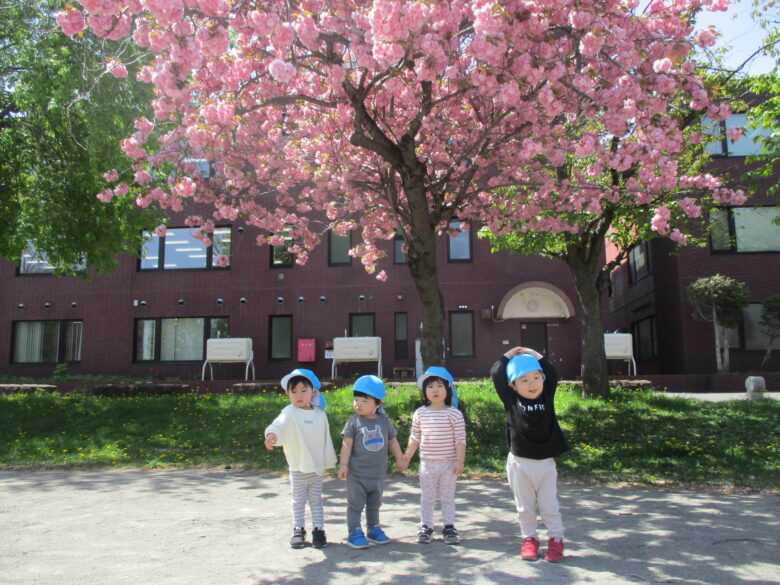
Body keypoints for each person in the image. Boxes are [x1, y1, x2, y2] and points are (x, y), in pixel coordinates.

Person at [490, 346, 569, 563]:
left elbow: (551, 372)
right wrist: (510, 353)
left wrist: (533, 353)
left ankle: (556, 540)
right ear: (512, 385)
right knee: (524, 507)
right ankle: (529, 539)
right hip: (519, 463)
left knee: (548, 505)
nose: (532, 384)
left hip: (545, 463)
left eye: (536, 378)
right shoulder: (510, 400)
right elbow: (497, 372)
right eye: (524, 380)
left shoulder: (546, 396)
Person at [265, 368, 337, 549]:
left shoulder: (320, 414)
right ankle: (298, 529)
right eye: (294, 391)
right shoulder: (289, 412)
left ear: (313, 392)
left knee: (316, 500)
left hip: (316, 468)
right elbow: (278, 424)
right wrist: (272, 434)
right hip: (297, 466)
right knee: (298, 500)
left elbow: (325, 439)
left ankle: (318, 530)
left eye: (303, 390)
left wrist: (327, 461)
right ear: (287, 393)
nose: (299, 395)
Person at [338, 375, 406, 548]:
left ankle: (373, 528)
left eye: (364, 400)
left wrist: (400, 458)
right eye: (356, 400)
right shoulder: (353, 422)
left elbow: (392, 441)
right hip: (357, 474)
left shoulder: (384, 421)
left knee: (374, 503)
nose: (358, 404)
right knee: (356, 504)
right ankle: (354, 531)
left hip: (377, 474)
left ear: (378, 404)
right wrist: (344, 465)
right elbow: (346, 443)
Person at [403, 366, 466, 545]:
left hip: (448, 464)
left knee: (447, 497)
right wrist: (407, 456)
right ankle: (426, 526)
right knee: (427, 496)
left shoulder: (454, 414)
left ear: (448, 389)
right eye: (430, 386)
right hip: (427, 463)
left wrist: (459, 461)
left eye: (439, 386)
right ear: (424, 391)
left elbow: (460, 439)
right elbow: (415, 436)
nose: (435, 390)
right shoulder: (420, 413)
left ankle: (449, 526)